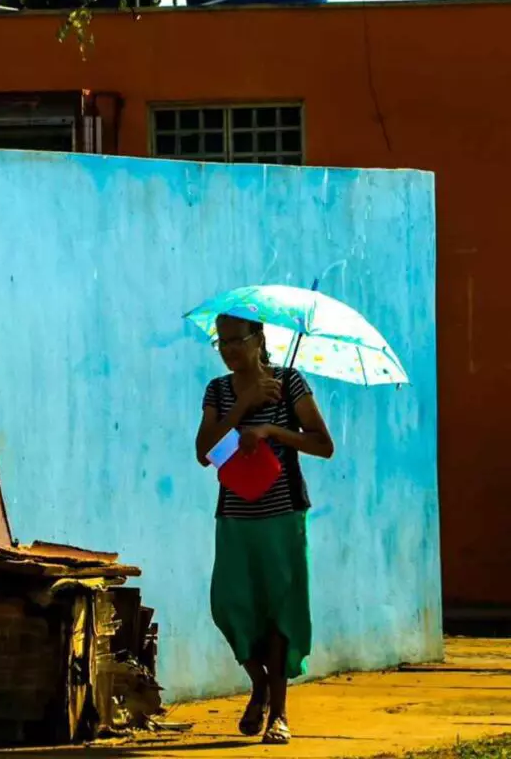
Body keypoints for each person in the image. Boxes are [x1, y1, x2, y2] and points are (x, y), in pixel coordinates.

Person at [195, 314, 335, 745]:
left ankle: (279, 713)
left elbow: (322, 444)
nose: (230, 350)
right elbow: (204, 452)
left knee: (279, 611)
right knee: (229, 605)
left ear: (259, 340)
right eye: (223, 342)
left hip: (282, 514)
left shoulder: (291, 383)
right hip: (236, 515)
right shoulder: (218, 390)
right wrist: (244, 405)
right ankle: (257, 682)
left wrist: (273, 428)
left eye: (238, 341)